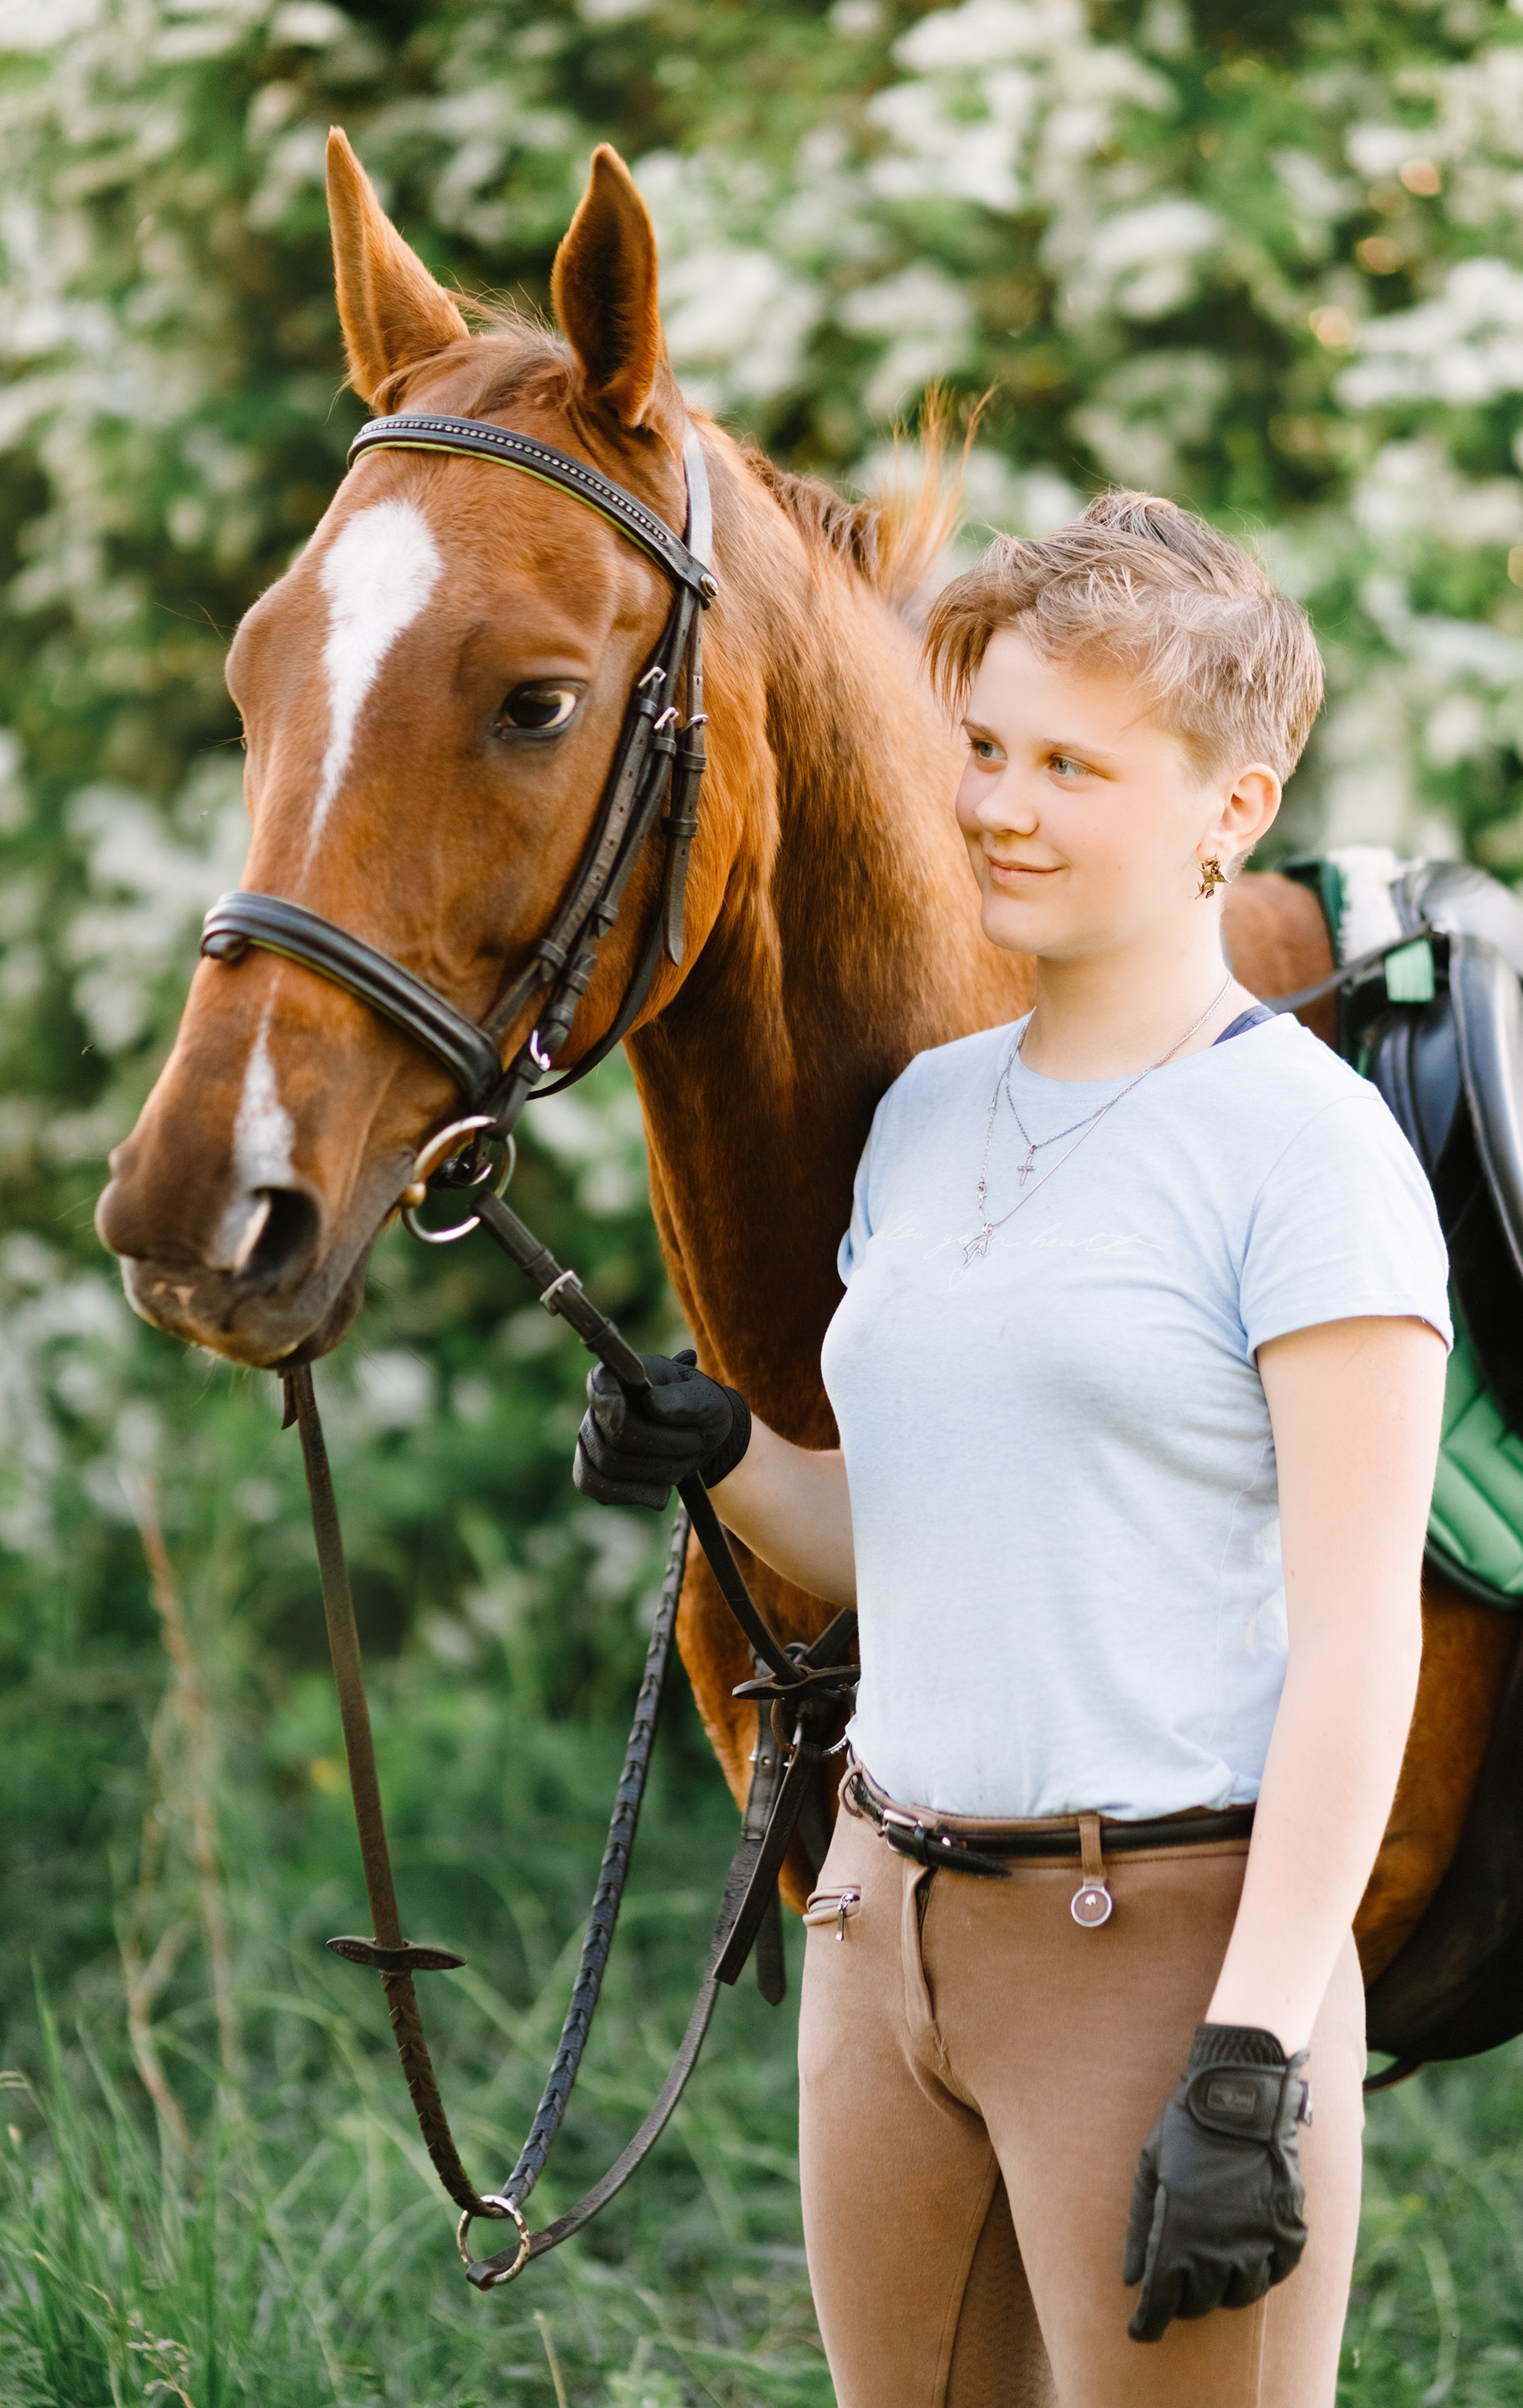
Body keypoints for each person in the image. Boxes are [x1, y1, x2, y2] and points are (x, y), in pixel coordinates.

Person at [572, 491, 1450, 2407]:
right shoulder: (927, 1119)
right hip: (883, 1942)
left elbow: (1359, 1644)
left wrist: (1251, 2047)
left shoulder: (1305, 1157)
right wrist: (722, 1450)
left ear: (1231, 805)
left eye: (1071, 764)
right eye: (979, 748)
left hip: (1157, 1951)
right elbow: (909, 1551)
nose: (999, 805)